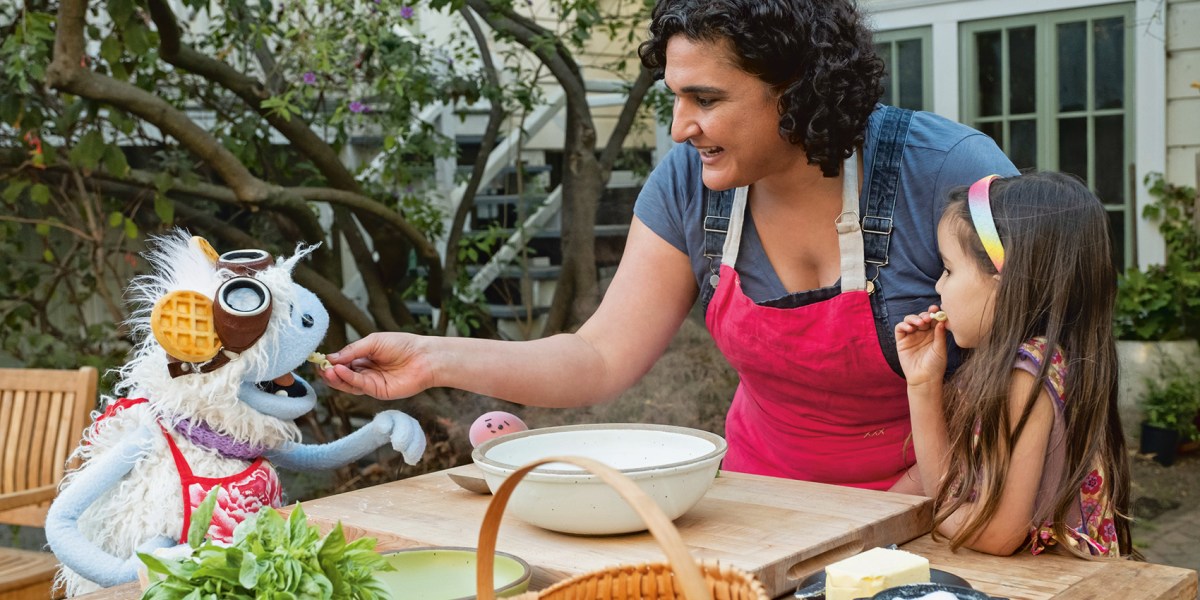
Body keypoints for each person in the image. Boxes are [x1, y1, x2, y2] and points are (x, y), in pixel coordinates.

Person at [320, 0, 1017, 491]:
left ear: (800, 89)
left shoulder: (945, 173)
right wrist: (432, 358)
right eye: (675, 97)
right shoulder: (692, 183)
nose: (681, 127)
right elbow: (598, 357)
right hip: (763, 503)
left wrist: (903, 508)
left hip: (940, 498)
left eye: (706, 99)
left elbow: (1036, 365)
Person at [893, 172, 1131, 557]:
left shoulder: (1027, 376)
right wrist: (922, 385)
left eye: (949, 270)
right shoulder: (1031, 363)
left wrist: (926, 518)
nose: (938, 286)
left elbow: (997, 535)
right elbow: (947, 484)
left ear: (1003, 282)